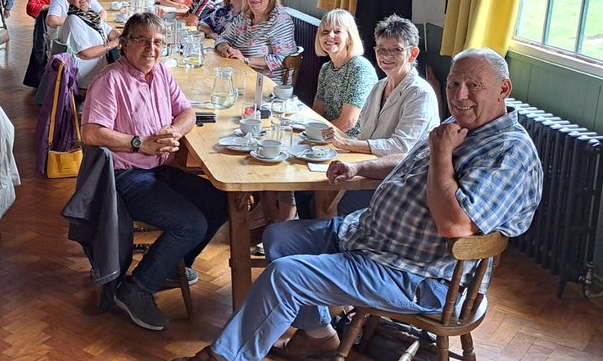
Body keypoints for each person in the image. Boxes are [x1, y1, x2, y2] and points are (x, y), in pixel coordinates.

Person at [172, 48, 544, 361]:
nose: (459, 95)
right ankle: (319, 336)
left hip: (418, 274)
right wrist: (360, 166)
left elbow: (456, 225)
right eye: (454, 84)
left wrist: (443, 153)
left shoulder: (508, 152)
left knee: (286, 275)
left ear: (504, 89)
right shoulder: (463, 123)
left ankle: (223, 356)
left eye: (473, 86)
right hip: (371, 237)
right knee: (280, 237)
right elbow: (412, 163)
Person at [80, 13, 230, 332]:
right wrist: (140, 144)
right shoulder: (110, 80)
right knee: (190, 224)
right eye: (143, 40)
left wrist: (175, 130)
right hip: (124, 177)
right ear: (125, 44)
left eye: (158, 42)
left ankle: (172, 267)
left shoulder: (160, 72)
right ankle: (137, 288)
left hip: (158, 169)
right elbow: (91, 133)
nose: (152, 48)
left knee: (221, 202)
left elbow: (187, 111)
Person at [301, 15, 441, 217]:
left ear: (413, 53)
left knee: (328, 200)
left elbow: (401, 148)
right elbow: (366, 135)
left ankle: (331, 240)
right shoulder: (379, 87)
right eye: (381, 49)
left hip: (399, 180)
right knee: (309, 187)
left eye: (396, 49)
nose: (387, 55)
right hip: (369, 168)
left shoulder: (420, 93)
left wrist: (348, 145)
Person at [214, 0, 296, 85]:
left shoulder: (280, 20)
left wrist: (245, 60)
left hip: (266, 83)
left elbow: (281, 59)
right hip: (239, 73)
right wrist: (226, 48)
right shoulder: (245, 16)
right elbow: (223, 37)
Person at [312, 9, 377, 137]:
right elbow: (317, 112)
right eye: (325, 31)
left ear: (349, 38)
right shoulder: (326, 68)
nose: (330, 36)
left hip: (352, 140)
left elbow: (348, 122)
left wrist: (316, 136)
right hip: (329, 135)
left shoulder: (359, 68)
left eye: (337, 31)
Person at [56, 0, 120, 90]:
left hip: (98, 65)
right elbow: (85, 54)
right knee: (127, 74)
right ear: (69, 0)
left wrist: (121, 35)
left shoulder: (89, 14)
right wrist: (113, 44)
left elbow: (109, 32)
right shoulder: (73, 19)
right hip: (85, 74)